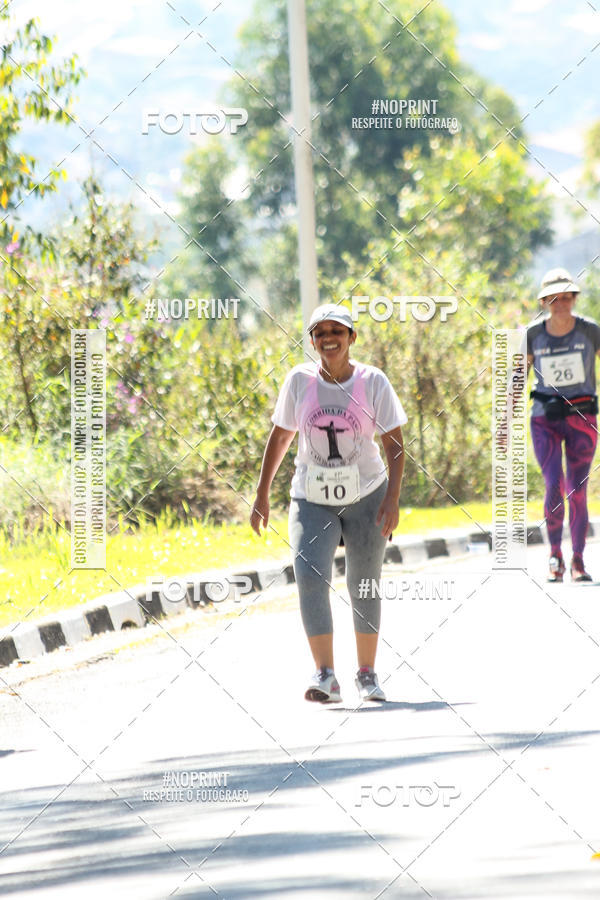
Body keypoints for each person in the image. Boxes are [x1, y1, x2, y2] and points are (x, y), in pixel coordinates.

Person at [250, 303, 407, 702]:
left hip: (367, 495)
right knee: (309, 576)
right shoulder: (299, 382)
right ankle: (325, 676)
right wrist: (262, 494)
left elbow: (394, 444)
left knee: (363, 583)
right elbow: (281, 437)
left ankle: (367, 675)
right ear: (313, 341)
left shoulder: (373, 382)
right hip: (311, 497)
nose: (329, 339)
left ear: (352, 338)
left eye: (338, 331)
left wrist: (392, 499)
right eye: (321, 333)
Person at [527, 268, 600, 582]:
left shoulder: (590, 330)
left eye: (566, 297)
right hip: (545, 418)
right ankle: (555, 554)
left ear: (574, 298)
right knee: (554, 484)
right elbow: (518, 375)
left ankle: (578, 560)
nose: (561, 303)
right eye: (553, 298)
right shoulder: (532, 334)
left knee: (578, 490)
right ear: (544, 302)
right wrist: (506, 416)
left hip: (583, 418)